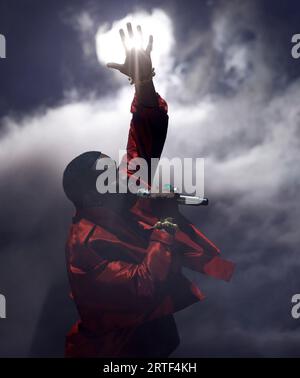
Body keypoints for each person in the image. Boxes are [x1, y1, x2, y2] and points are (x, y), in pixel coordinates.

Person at [63, 23, 235, 358]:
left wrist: (143, 82)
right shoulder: (83, 247)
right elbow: (143, 284)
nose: (120, 175)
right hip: (118, 352)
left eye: (113, 170)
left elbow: (146, 130)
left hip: (160, 341)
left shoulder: (123, 188)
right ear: (89, 195)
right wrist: (166, 224)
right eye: (106, 176)